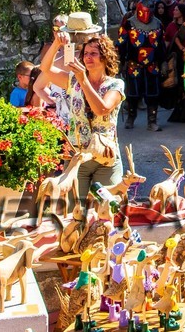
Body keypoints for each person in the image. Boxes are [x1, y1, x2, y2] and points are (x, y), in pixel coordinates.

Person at [38, 30, 126, 203]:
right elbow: (45, 68)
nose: (88, 57)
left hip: (105, 155)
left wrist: (83, 79)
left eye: (94, 53)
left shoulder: (115, 84)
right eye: (85, 54)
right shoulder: (73, 80)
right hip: (77, 155)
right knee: (75, 212)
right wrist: (56, 43)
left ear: (105, 57)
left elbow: (101, 109)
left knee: (107, 209)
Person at [117, 0, 164, 132]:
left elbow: (161, 46)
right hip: (134, 65)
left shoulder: (158, 24)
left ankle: (152, 121)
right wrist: (120, 62)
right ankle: (131, 117)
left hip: (152, 66)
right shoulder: (129, 24)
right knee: (132, 94)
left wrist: (164, 61)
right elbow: (121, 44)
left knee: (153, 94)